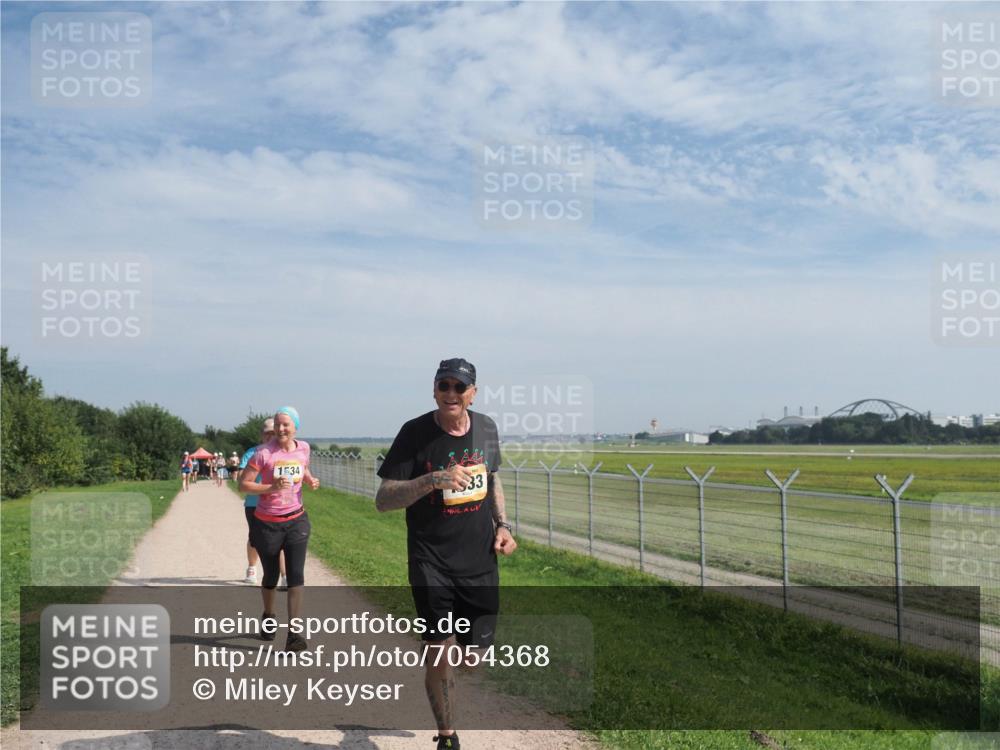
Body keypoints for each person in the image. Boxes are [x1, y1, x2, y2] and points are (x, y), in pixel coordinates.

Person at [375, 358, 516, 750]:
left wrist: (503, 525)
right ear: (434, 390)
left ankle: (458, 661)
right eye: (444, 385)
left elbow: (491, 479)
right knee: (439, 650)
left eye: (459, 387)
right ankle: (447, 735)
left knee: (473, 658)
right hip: (430, 560)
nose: (450, 393)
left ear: (473, 393)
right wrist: (433, 479)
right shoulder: (414, 433)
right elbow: (383, 500)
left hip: (479, 561)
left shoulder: (486, 428)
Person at [239, 407, 320, 652]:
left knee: (296, 575)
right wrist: (270, 488)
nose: (281, 429)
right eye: (277, 424)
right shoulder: (263, 453)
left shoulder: (304, 448)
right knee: (271, 575)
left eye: (286, 424)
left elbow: (302, 467)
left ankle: (294, 634)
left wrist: (309, 479)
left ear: (295, 426)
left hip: (296, 520)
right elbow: (244, 484)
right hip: (267, 523)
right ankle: (269, 614)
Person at [238, 420, 287, 588]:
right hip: (254, 503)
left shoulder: (284, 453)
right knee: (255, 538)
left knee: (281, 540)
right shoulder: (252, 452)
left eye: (273, 433)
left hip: (277, 503)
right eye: (267, 433)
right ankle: (252, 569)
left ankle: (284, 576)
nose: (270, 436)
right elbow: (241, 479)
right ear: (261, 435)